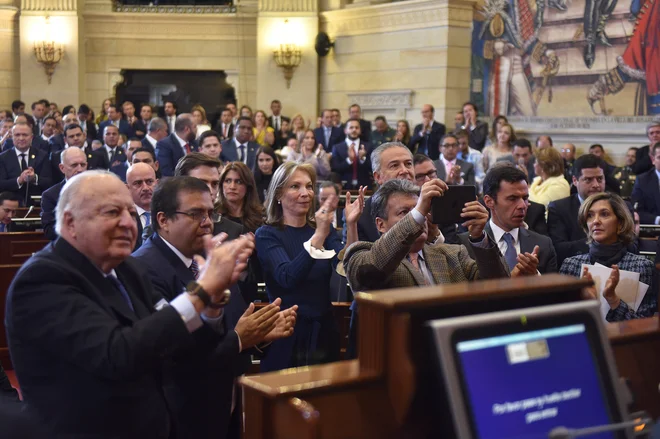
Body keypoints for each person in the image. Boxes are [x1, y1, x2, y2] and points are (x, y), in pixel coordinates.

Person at [5, 170, 257, 438]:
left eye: (131, 212)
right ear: (70, 222)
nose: (128, 222)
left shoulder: (127, 269)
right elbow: (118, 354)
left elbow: (174, 345)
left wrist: (213, 302)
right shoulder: (42, 279)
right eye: (113, 212)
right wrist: (202, 291)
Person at [132, 176, 296, 439]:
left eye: (209, 213)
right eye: (196, 213)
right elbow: (170, 354)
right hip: (179, 415)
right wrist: (241, 339)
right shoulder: (142, 268)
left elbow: (229, 325)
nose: (207, 222)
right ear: (163, 220)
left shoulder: (207, 258)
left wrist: (259, 333)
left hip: (222, 402)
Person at [255, 161, 365, 371]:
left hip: (324, 332)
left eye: (309, 186)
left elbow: (346, 267)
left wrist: (351, 225)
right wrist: (319, 236)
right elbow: (287, 277)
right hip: (286, 334)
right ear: (278, 194)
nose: (305, 193)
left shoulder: (322, 230)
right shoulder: (267, 234)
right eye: (295, 186)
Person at [344, 178, 530, 292]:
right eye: (404, 213)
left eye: (421, 210)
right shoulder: (362, 256)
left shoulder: (453, 254)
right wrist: (416, 214)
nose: (421, 217)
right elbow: (372, 271)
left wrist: (480, 237)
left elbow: (497, 287)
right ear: (380, 224)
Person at [560, 192, 657, 321]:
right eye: (590, 216)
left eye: (604, 214)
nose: (595, 221)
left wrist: (614, 300)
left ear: (620, 223)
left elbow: (643, 325)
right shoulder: (570, 265)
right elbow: (560, 320)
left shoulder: (642, 266)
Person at [459, 164, 557, 274]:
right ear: (489, 201)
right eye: (512, 198)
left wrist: (535, 276)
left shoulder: (543, 244)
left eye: (525, 198)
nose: (522, 206)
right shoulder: (465, 245)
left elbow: (554, 290)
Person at [548, 154, 607, 265]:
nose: (596, 185)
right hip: (575, 269)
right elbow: (558, 249)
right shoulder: (559, 208)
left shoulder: (620, 206)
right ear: (575, 181)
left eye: (600, 179)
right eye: (588, 180)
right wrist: (597, 241)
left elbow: (632, 244)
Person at [174, 153, 243, 241]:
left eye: (214, 184)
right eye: (201, 183)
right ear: (180, 186)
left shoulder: (233, 232)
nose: (209, 190)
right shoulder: (162, 229)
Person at [41, 147, 88, 240]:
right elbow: (49, 231)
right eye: (74, 165)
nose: (80, 169)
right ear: (62, 168)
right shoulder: (50, 195)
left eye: (83, 165)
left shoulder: (97, 190)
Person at [0, 122, 53, 204]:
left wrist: (35, 178)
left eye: (25, 135)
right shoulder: (3, 158)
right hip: (12, 205)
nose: (21, 138)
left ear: (31, 137)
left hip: (37, 204)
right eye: (17, 135)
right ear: (12, 137)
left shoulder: (42, 155)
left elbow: (50, 182)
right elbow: (1, 184)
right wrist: (19, 180)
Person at [216, 162, 264, 234]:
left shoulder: (260, 217)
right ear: (221, 184)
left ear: (248, 186)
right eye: (228, 181)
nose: (232, 187)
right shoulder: (212, 214)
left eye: (239, 182)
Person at [330, 119, 373, 189]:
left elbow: (373, 168)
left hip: (364, 187)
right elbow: (335, 168)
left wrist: (363, 159)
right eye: (351, 127)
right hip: (344, 186)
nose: (354, 130)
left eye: (356, 128)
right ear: (345, 130)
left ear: (360, 130)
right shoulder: (337, 147)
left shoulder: (368, 146)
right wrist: (349, 160)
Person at [126, 162, 157, 249]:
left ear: (157, 184)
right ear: (127, 189)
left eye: (149, 182)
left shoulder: (169, 214)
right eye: (138, 183)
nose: (145, 188)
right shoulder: (123, 217)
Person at [632, 142, 660, 224]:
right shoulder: (642, 181)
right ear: (653, 160)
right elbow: (636, 212)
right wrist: (657, 220)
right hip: (652, 232)